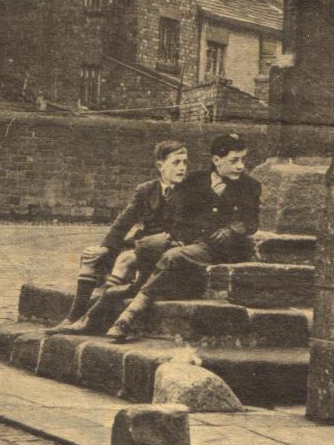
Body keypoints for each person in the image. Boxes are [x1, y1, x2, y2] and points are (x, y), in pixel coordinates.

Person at [105, 132, 261, 343]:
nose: (241, 166)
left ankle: (129, 315)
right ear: (216, 160)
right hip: (191, 240)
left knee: (173, 257)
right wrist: (182, 235)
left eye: (243, 159)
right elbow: (180, 216)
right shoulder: (194, 181)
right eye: (234, 160)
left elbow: (251, 222)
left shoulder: (250, 186)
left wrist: (233, 229)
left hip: (218, 248)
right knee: (144, 248)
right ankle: (115, 298)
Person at [48, 140, 188, 334]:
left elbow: (184, 230)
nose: (182, 168)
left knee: (125, 259)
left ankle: (91, 319)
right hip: (141, 244)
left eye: (184, 162)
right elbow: (123, 222)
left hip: (166, 248)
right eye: (176, 162)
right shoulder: (146, 190)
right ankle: (72, 317)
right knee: (91, 256)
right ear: (160, 165)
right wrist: (105, 247)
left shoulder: (190, 192)